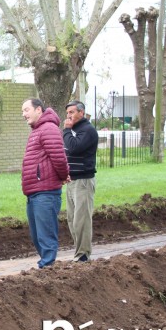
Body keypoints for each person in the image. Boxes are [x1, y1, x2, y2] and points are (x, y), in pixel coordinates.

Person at [21, 98, 70, 268]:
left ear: (39, 110)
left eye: (26, 110)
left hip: (46, 191)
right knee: (37, 235)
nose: (24, 114)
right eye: (23, 111)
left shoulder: (48, 128)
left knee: (45, 234)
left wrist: (64, 176)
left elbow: (58, 157)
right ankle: (46, 267)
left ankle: (47, 268)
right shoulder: (37, 130)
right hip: (34, 191)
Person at [63, 100, 99, 262]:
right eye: (67, 113)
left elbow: (74, 147)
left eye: (72, 112)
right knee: (72, 219)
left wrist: (66, 131)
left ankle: (83, 254)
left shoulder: (87, 130)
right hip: (71, 181)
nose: (69, 116)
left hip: (83, 181)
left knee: (81, 220)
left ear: (81, 113)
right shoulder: (73, 131)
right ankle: (79, 252)